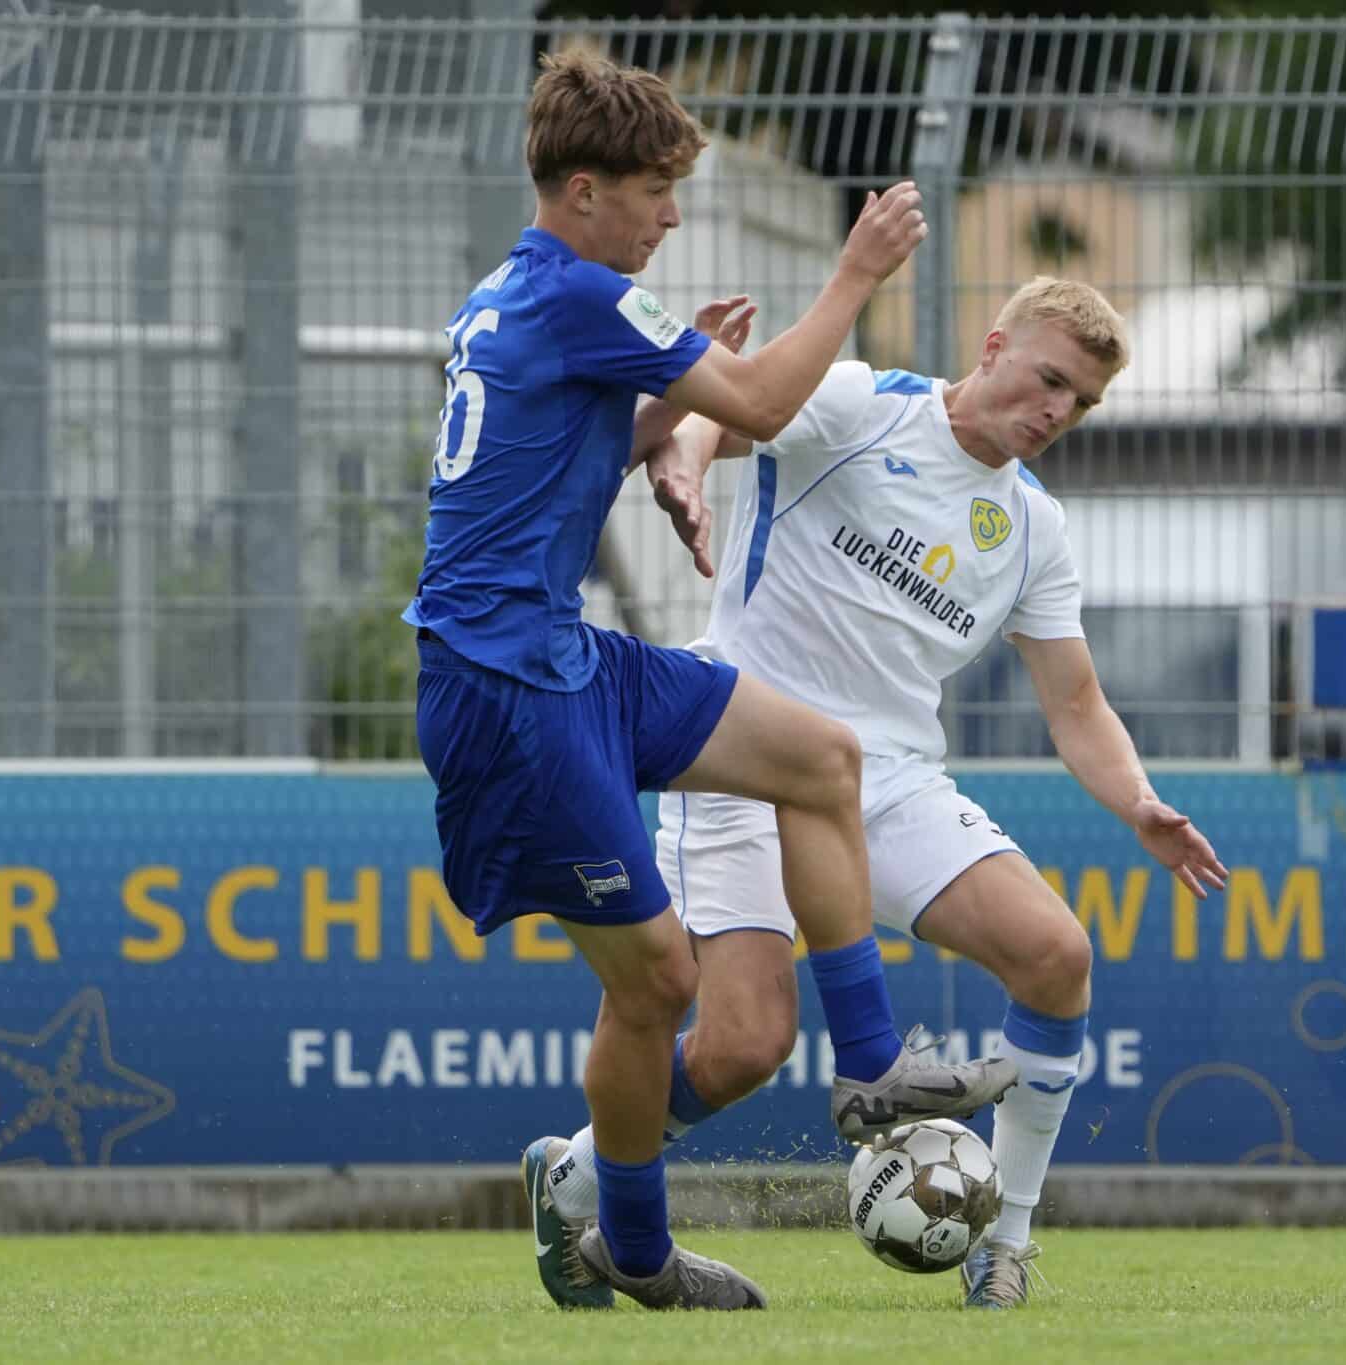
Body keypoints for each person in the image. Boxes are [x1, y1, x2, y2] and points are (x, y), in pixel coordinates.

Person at [406, 51, 1017, 1314]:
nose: (670, 218)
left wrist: (656, 448)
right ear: (582, 192)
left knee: (818, 758)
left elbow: (550, 454)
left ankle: (871, 1072)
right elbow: (756, 400)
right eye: (652, 193)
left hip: (562, 655)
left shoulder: (521, 293)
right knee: (662, 987)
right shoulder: (578, 291)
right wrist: (855, 273)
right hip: (503, 686)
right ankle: (629, 1245)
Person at [530, 277, 1230, 1310]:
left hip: (885, 782)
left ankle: (1009, 1245)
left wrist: (1136, 802)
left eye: (1077, 403)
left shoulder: (1032, 528)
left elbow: (1075, 705)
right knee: (744, 1048)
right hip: (733, 758)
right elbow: (716, 427)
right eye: (1046, 380)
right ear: (992, 346)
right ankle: (575, 1175)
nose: (1053, 413)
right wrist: (678, 467)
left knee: (1055, 957)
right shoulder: (861, 403)